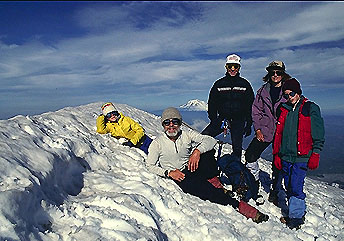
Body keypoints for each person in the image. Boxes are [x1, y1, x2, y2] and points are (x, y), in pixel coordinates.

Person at [146, 107, 269, 223]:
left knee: (207, 152)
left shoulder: (186, 135)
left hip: (190, 167)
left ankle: (215, 182)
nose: (171, 126)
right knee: (207, 191)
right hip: (179, 175)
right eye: (167, 123)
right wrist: (168, 173)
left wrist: (197, 152)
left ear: (180, 123)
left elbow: (210, 140)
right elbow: (150, 166)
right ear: (163, 125)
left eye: (175, 122)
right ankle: (241, 206)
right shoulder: (157, 143)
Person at [273, 78, 325, 230]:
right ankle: (295, 212)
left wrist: (316, 152)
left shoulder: (310, 108)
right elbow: (279, 134)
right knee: (289, 185)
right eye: (286, 95)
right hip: (286, 156)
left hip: (301, 156)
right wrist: (277, 154)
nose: (289, 97)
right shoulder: (284, 109)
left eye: (292, 93)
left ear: (299, 92)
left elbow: (318, 132)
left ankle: (296, 218)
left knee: (296, 186)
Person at [244, 61, 291, 205]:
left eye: (278, 72)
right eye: (272, 72)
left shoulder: (289, 90)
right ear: (269, 74)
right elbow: (256, 111)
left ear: (283, 73)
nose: (275, 75)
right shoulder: (262, 91)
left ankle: (275, 191)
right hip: (265, 130)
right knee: (250, 155)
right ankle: (254, 183)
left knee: (279, 162)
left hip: (283, 132)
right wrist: (258, 129)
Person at [202, 54, 254, 160]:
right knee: (203, 138)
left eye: (235, 66)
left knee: (237, 147)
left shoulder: (245, 84)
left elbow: (250, 105)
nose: (233, 69)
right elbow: (212, 103)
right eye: (230, 66)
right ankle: (206, 162)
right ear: (226, 67)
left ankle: (236, 171)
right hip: (222, 119)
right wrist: (214, 119)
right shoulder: (219, 84)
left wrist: (249, 122)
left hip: (238, 120)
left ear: (239, 67)